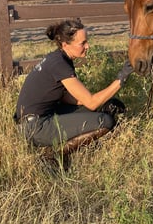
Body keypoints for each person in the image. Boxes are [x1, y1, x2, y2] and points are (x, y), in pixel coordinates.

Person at [13, 18, 134, 167]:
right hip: (35, 127)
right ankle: (55, 157)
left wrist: (100, 103)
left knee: (107, 107)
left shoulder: (57, 58)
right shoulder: (60, 64)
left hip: (39, 118)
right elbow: (91, 102)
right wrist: (121, 78)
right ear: (65, 44)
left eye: (87, 41)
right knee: (106, 121)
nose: (87, 46)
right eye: (82, 43)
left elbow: (70, 98)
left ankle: (84, 143)